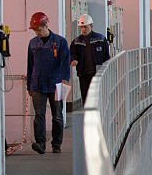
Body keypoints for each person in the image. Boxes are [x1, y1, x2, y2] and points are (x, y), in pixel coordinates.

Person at [26, 12, 70, 154]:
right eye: (35, 31)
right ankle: (40, 143)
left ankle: (56, 144)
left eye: (39, 30)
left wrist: (64, 81)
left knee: (57, 115)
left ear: (46, 26)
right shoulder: (33, 43)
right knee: (39, 115)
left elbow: (65, 64)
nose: (37, 33)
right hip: (37, 84)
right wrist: (29, 85)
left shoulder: (60, 42)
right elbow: (30, 65)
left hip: (56, 84)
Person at [69, 14, 112, 105]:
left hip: (97, 74)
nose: (83, 29)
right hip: (83, 74)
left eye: (85, 27)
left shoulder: (100, 39)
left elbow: (106, 57)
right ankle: (87, 116)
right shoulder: (76, 42)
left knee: (97, 97)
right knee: (86, 97)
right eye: (82, 27)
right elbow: (72, 54)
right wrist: (73, 60)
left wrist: (107, 71)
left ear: (91, 26)